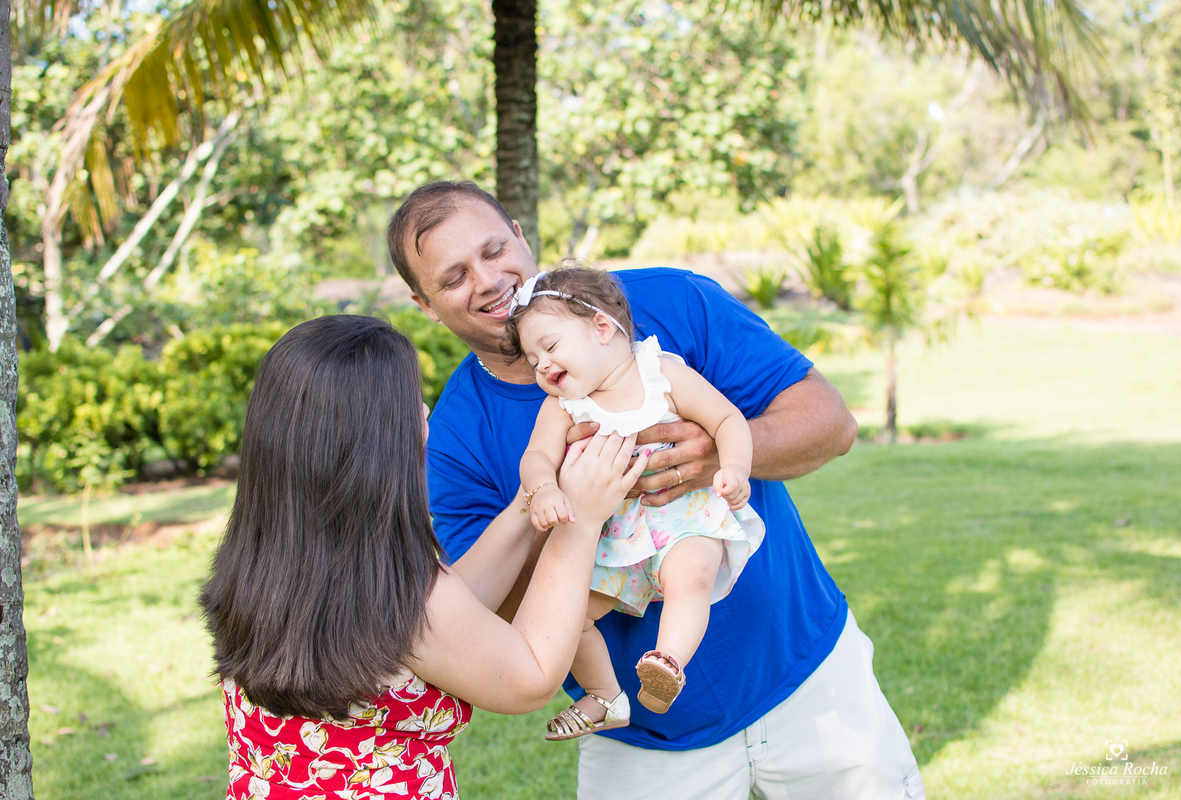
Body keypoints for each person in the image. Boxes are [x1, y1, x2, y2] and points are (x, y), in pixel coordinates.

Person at [387, 181, 926, 800]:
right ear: (423, 303)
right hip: (642, 743)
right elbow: (492, 620)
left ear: (518, 232)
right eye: (453, 277)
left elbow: (831, 424)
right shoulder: (455, 437)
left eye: (492, 250)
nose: (486, 280)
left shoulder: (667, 302)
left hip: (811, 678)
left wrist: (716, 452)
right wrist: (570, 513)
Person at [200, 314, 649, 799]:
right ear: (372, 442)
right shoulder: (410, 600)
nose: (423, 409)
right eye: (406, 404)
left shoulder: (277, 560)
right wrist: (579, 520)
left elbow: (451, 617)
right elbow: (532, 677)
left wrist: (533, 497)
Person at [504, 267, 765, 739]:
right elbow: (536, 456)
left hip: (683, 518)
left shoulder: (662, 375)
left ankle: (667, 663)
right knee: (572, 617)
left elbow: (727, 419)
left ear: (602, 328)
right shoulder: (564, 407)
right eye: (532, 359)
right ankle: (606, 696)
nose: (541, 366)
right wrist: (543, 489)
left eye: (550, 346)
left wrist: (735, 468)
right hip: (614, 536)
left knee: (692, 576)